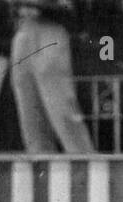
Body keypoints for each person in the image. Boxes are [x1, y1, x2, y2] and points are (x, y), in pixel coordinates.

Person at [9, 0, 95, 152]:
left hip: (51, 28)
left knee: (59, 102)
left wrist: (38, 6)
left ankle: (82, 158)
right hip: (23, 28)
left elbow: (72, 8)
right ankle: (40, 161)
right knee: (28, 106)